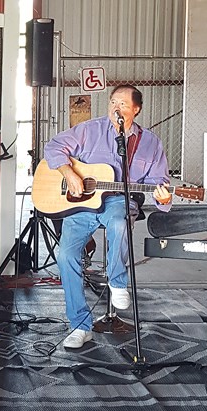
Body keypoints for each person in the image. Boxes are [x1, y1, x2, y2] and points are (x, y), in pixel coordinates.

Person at [43, 84, 171, 349]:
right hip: (82, 204)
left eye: (123, 104)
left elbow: (160, 182)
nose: (116, 107)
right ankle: (79, 327)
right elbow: (54, 147)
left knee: (118, 221)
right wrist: (69, 173)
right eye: (113, 101)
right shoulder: (90, 130)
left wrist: (165, 197)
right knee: (66, 255)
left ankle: (117, 282)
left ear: (136, 109)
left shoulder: (149, 143)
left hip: (118, 200)